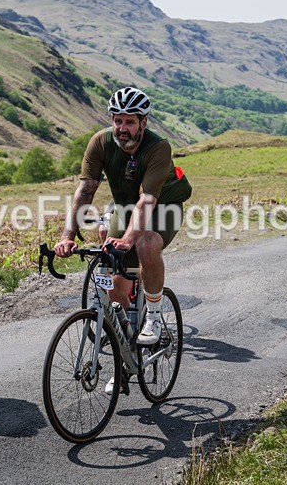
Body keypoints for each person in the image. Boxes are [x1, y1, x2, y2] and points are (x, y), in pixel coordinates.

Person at [53, 87, 192, 394]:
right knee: (115, 278)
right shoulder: (101, 142)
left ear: (143, 123)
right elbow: (86, 190)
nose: (122, 128)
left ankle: (153, 316)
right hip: (126, 206)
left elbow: (147, 201)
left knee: (145, 244)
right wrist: (67, 236)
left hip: (163, 204)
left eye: (130, 121)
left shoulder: (159, 147)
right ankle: (126, 360)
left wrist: (128, 239)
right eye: (118, 120)